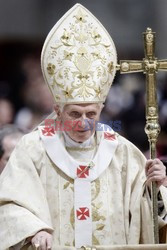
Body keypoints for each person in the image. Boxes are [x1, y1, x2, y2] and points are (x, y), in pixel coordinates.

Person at [0, 4, 167, 250]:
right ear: (57, 110)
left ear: (101, 109)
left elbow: (150, 215)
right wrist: (34, 228)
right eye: (75, 113)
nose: (84, 122)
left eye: (91, 113)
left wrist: (157, 189)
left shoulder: (122, 152)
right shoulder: (32, 148)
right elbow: (10, 202)